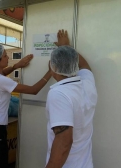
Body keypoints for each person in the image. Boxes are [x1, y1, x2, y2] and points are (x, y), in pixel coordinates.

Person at [0, 43, 52, 168]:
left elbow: (3, 73)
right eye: (5, 56)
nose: (8, 58)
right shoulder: (0, 80)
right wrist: (50, 72)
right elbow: (34, 90)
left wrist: (17, 66)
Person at [45, 29, 98, 168]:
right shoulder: (87, 84)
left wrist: (64, 48)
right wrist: (66, 47)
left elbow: (64, 143)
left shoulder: (59, 94)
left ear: (53, 66)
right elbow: (85, 65)